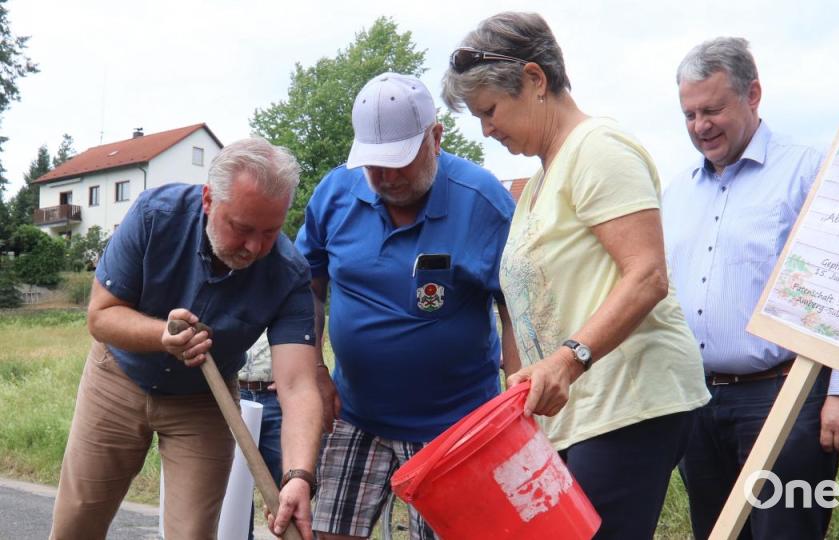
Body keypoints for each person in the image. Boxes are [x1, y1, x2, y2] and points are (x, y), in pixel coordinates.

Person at [442, 12, 711, 539]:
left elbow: (647, 274)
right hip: (580, 416)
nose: (486, 129)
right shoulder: (542, 176)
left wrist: (568, 360)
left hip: (628, 406)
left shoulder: (598, 149)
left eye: (491, 110)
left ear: (535, 80)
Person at [49, 138, 322, 540]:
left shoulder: (288, 272)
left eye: (270, 231)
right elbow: (101, 316)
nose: (254, 247)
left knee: (193, 534)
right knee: (77, 523)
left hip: (204, 402)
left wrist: (298, 475)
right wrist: (162, 335)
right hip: (118, 380)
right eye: (242, 229)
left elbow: (298, 385)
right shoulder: (154, 216)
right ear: (209, 200)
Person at [662, 37, 839, 539]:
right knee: (715, 532)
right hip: (698, 400)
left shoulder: (808, 171)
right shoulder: (676, 193)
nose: (700, 126)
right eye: (689, 114)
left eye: (712, 109)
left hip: (785, 398)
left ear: (752, 94)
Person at [294, 72, 518, 540]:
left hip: (455, 425)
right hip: (355, 414)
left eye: (401, 162)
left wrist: (515, 397)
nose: (387, 178)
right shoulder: (335, 194)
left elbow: (513, 302)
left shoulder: (483, 202)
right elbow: (307, 284)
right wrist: (315, 368)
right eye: (375, 164)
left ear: (435, 137)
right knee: (325, 533)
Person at [237, 331, 282, 540]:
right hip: (235, 393)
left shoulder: (285, 301)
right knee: (236, 486)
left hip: (275, 396)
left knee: (285, 488)